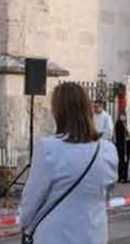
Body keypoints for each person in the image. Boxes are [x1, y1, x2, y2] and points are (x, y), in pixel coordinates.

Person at [18, 82, 118, 244]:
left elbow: (32, 198)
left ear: (58, 112)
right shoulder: (107, 151)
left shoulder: (48, 148)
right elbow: (106, 193)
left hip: (56, 235)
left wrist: (24, 224)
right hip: (93, 233)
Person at [114, 113, 130, 183]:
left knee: (126, 162)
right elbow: (118, 135)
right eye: (123, 116)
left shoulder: (127, 123)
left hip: (127, 145)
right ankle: (120, 177)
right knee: (121, 161)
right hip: (121, 145)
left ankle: (125, 176)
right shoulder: (118, 123)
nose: (124, 118)